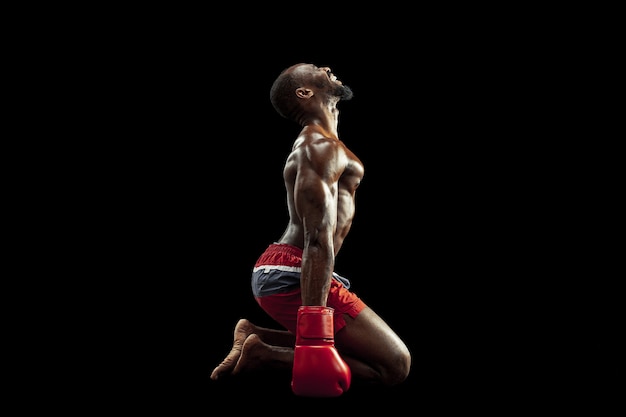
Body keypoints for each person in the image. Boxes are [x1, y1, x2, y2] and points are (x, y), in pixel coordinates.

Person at [210, 63, 411, 396]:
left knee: (379, 361)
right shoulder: (318, 149)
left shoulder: (325, 144)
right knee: (395, 365)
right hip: (294, 266)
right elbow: (317, 237)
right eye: (317, 69)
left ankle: (257, 338)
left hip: (289, 264)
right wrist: (316, 336)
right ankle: (265, 356)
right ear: (305, 93)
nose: (327, 68)